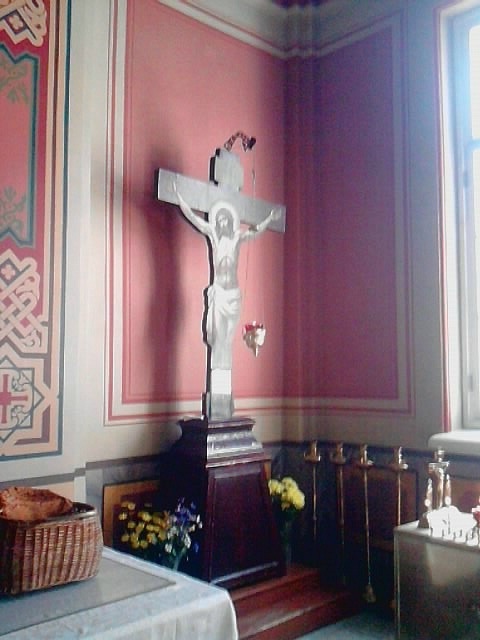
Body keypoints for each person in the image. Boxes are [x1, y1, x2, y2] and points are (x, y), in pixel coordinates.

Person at [174, 182, 280, 370]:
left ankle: (223, 370)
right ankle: (218, 371)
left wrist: (269, 218)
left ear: (231, 223)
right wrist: (180, 199)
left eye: (226, 220)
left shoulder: (237, 239)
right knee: (218, 339)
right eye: (220, 220)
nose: (223, 223)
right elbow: (194, 219)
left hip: (234, 295)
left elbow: (254, 232)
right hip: (220, 294)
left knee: (229, 337)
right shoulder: (214, 236)